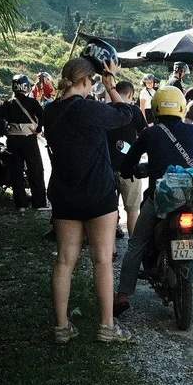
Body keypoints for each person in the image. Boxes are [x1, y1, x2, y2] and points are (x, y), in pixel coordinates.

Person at [114, 85, 193, 316]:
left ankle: (123, 295)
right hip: (192, 198)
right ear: (181, 108)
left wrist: (132, 170)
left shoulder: (150, 133)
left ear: (156, 109)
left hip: (160, 200)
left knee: (137, 243)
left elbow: (129, 162)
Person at [45, 42, 136, 344]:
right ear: (86, 81)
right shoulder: (91, 110)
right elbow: (126, 113)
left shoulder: (49, 112)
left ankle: (61, 327)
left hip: (64, 196)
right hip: (98, 196)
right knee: (102, 261)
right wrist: (110, 84)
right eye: (92, 81)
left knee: (64, 261)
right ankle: (107, 326)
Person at [107, 80, 148, 236]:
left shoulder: (106, 110)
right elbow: (145, 134)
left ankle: (110, 245)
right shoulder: (134, 111)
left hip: (107, 168)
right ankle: (133, 244)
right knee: (132, 210)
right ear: (130, 95)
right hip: (130, 169)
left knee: (109, 211)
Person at [3, 74, 47, 211]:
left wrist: (5, 131)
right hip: (29, 139)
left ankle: (20, 204)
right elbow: (42, 116)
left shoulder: (8, 103)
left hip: (12, 140)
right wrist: (38, 130)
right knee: (35, 170)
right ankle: (39, 203)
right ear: (26, 87)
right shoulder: (32, 102)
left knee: (16, 171)